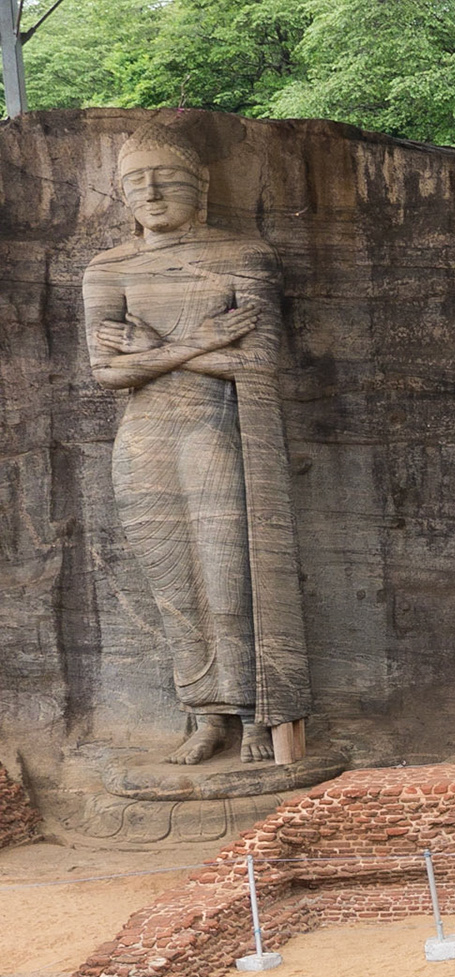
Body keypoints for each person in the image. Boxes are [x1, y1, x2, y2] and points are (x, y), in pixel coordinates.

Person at [82, 119, 309, 765]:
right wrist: (202, 341)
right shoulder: (109, 269)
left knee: (229, 577)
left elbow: (259, 360)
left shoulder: (243, 255)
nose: (151, 192)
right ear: (121, 195)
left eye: (167, 178)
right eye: (136, 183)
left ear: (201, 185)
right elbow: (107, 371)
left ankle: (256, 716)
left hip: (212, 432)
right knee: (173, 586)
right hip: (143, 441)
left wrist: (152, 351)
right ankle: (203, 715)